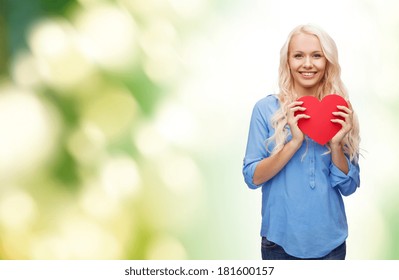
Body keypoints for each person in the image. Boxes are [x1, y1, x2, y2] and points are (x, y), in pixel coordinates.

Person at [242, 24, 360, 260]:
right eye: (299, 56)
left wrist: (336, 146)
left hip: (331, 245)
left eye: (317, 55)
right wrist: (294, 141)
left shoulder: (340, 111)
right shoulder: (265, 110)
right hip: (279, 244)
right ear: (287, 62)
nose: (308, 64)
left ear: (327, 61)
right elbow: (252, 178)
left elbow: (348, 187)